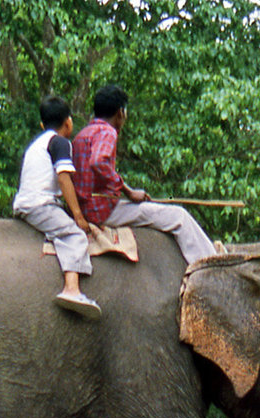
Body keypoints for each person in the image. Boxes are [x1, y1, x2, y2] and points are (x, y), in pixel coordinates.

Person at [71, 84, 216, 265]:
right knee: (179, 217)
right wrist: (128, 191)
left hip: (85, 208)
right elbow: (98, 162)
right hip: (101, 211)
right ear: (120, 113)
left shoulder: (81, 135)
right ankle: (210, 265)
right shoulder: (108, 132)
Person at [13, 96, 102, 319]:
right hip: (41, 205)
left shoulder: (36, 144)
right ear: (68, 122)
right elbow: (63, 178)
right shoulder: (60, 142)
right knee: (74, 235)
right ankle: (71, 289)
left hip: (27, 202)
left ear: (42, 124)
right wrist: (78, 216)